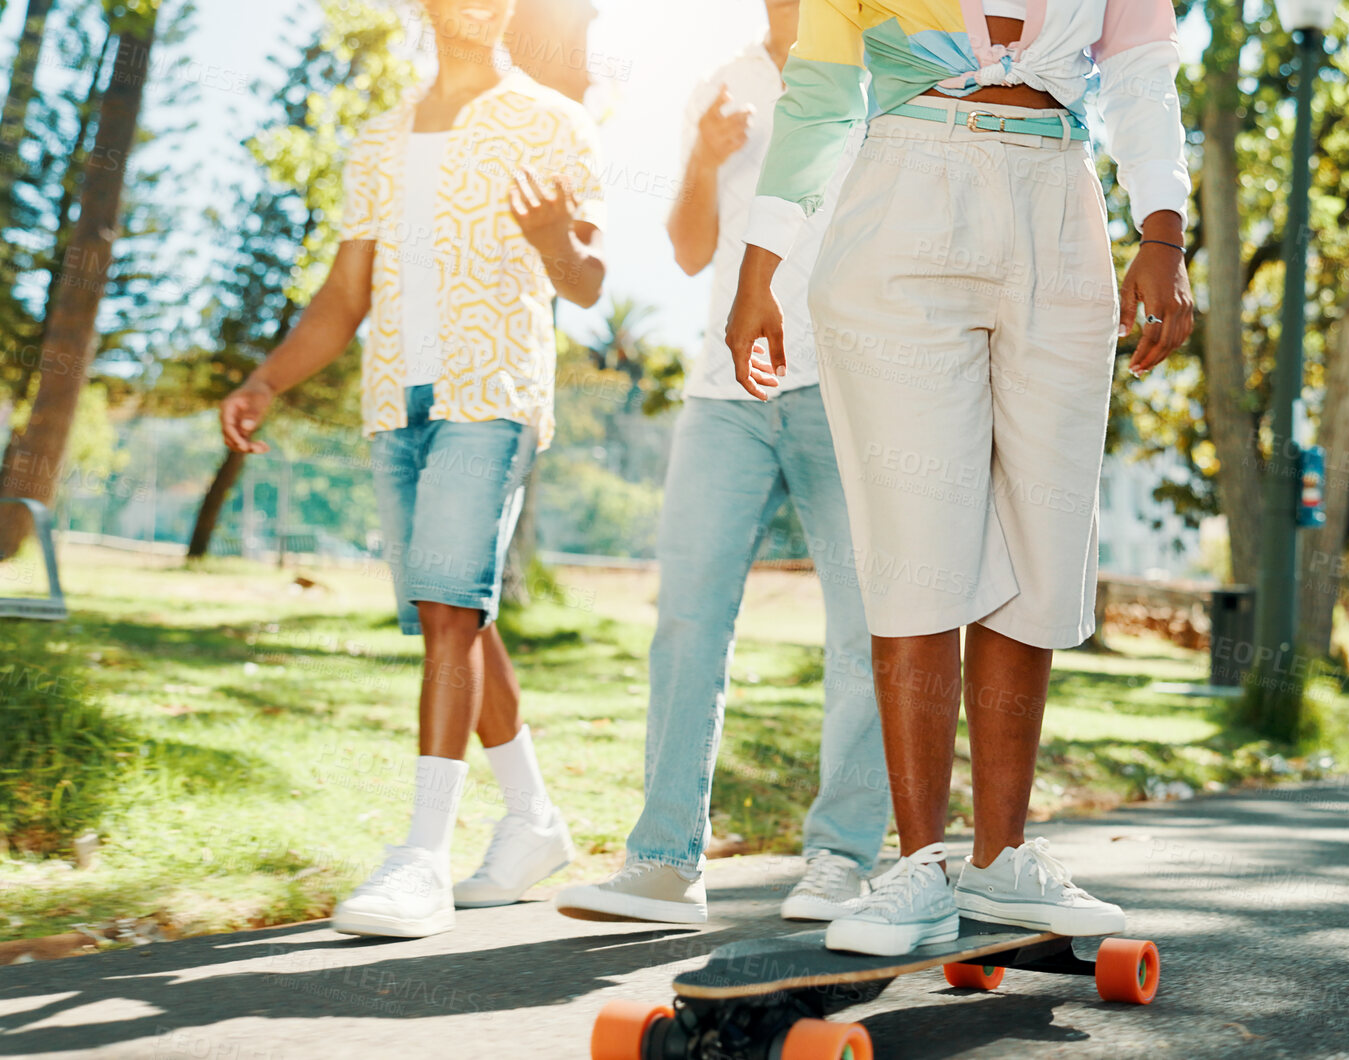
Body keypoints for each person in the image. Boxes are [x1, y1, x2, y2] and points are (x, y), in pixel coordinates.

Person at [726, 0, 1194, 956]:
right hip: (903, 191)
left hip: (1060, 200)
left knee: (1044, 534)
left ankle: (1001, 858)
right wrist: (758, 267)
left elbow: (1143, 79)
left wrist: (1163, 232)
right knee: (915, 542)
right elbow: (818, 91)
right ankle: (918, 866)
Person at [219, 0, 606, 938]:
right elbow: (346, 292)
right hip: (398, 405)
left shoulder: (552, 120)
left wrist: (555, 237)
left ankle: (421, 860)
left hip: (494, 393)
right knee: (458, 611)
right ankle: (532, 822)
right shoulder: (380, 139)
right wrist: (265, 380)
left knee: (446, 611)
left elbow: (588, 278)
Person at [553, 0, 890, 925]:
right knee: (686, 621)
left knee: (865, 629)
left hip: (846, 385)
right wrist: (703, 156)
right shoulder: (722, 82)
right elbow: (690, 247)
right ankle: (663, 862)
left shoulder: (883, 61)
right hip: (723, 393)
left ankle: (843, 860)